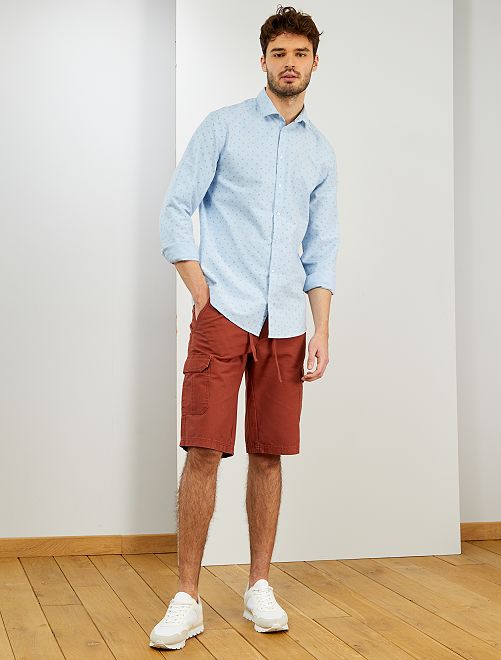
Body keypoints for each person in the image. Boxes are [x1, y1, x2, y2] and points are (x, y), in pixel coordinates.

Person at [150, 4, 340, 651]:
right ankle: (186, 596)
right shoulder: (223, 127)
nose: (289, 64)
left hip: (287, 321)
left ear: (314, 63)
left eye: (300, 54)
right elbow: (176, 210)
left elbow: (322, 249)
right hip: (224, 313)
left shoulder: (320, 152)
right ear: (262, 61)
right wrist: (200, 292)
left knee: (269, 454)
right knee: (203, 450)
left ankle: (259, 584)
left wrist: (321, 328)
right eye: (279, 53)